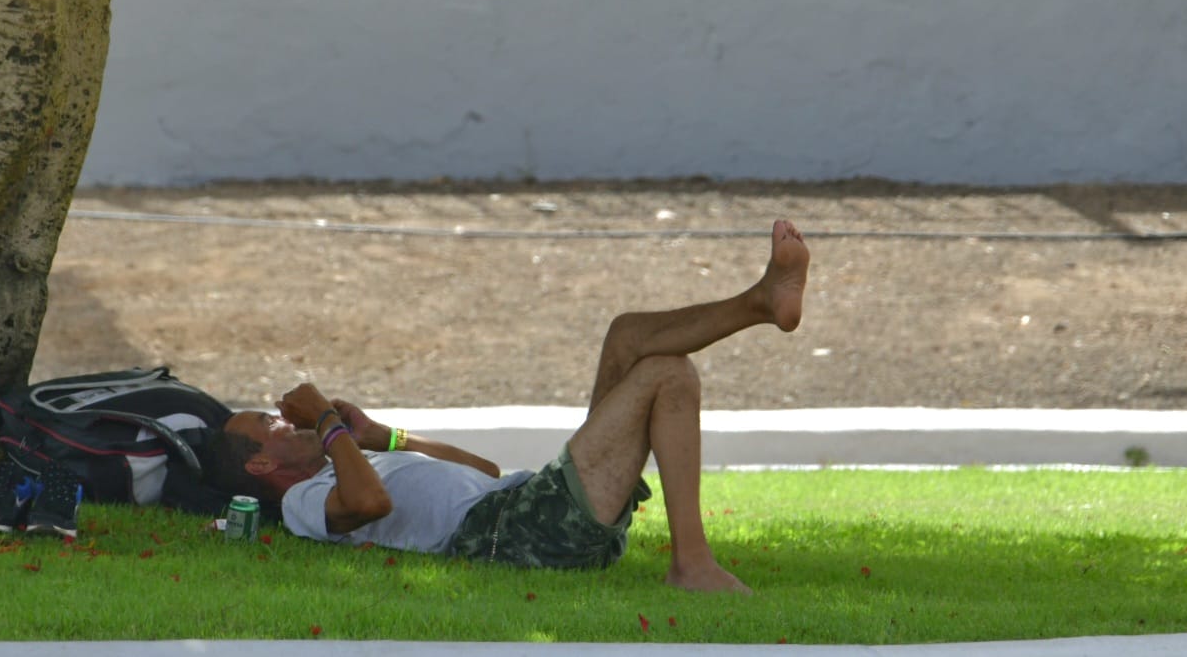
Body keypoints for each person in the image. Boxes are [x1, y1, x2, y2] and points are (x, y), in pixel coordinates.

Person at [210, 219, 810, 593]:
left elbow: (485, 473)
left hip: (520, 506)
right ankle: (692, 565)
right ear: (261, 466)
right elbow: (369, 503)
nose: (283, 418)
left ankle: (761, 300)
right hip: (515, 536)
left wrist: (381, 435)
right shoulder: (303, 502)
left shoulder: (353, 460)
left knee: (627, 335)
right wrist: (328, 419)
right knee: (666, 374)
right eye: (270, 424)